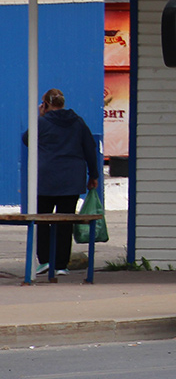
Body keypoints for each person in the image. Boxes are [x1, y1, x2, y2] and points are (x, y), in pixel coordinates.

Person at [20, 88, 100, 275]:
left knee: (41, 220)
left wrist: (39, 116)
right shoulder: (78, 122)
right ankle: (61, 265)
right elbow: (90, 148)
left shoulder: (42, 122)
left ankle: (46, 261)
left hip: (45, 179)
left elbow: (26, 140)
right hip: (71, 180)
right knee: (66, 222)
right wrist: (93, 175)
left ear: (46, 104)